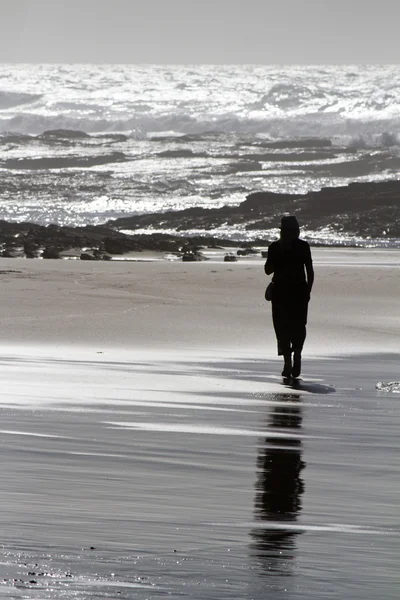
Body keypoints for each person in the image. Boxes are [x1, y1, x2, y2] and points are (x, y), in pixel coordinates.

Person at [264, 216, 314, 378]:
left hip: (280, 291)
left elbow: (267, 270)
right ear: (297, 230)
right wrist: (308, 291)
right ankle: (297, 354)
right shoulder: (303, 246)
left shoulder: (275, 247)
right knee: (299, 325)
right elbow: (310, 271)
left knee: (282, 326)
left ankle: (287, 362)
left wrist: (276, 259)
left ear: (282, 231)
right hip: (299, 290)